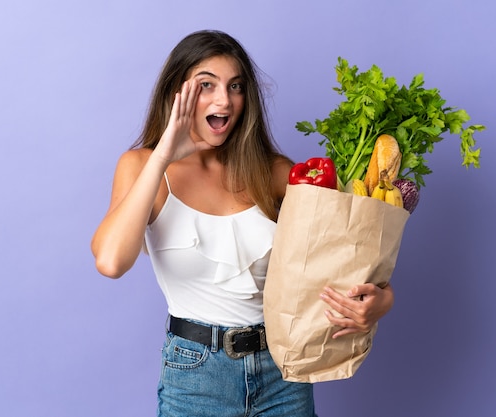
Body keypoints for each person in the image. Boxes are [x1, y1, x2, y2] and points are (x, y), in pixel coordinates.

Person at [91, 29, 395, 417]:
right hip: (196, 378)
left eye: (235, 86)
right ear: (176, 94)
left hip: (283, 373)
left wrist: (383, 301)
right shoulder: (142, 167)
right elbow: (111, 262)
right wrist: (164, 153)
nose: (224, 99)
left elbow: (345, 257)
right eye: (207, 85)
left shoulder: (274, 173)